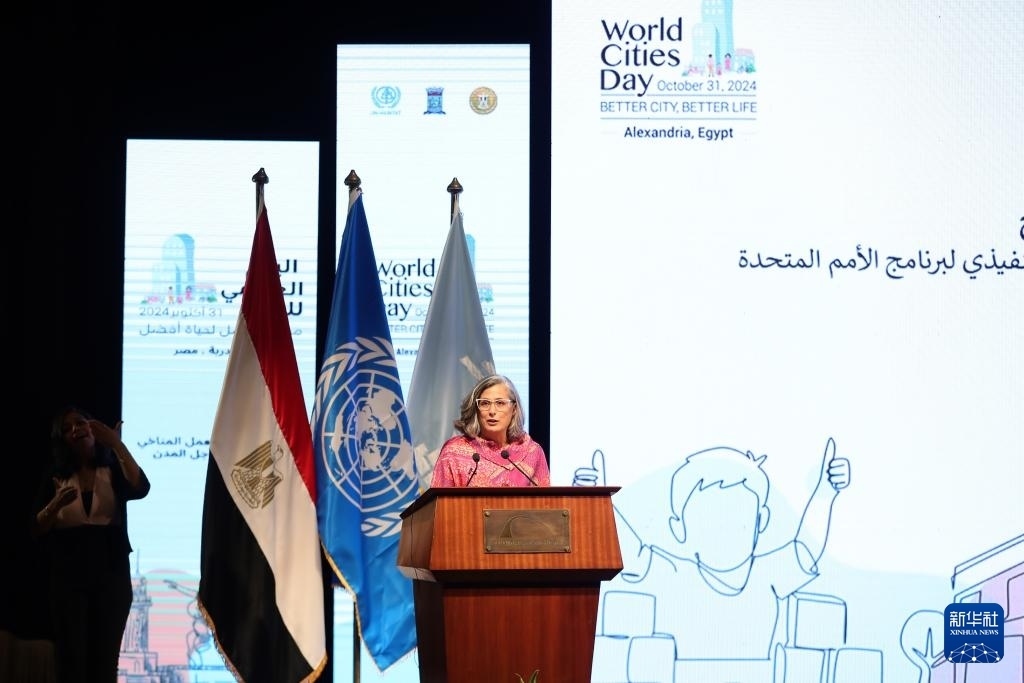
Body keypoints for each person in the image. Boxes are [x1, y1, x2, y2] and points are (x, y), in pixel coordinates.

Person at [31, 405, 151, 683]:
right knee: (71, 663)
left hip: (111, 576)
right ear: (63, 440)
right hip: (67, 579)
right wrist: (54, 505)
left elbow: (141, 488)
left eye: (80, 422)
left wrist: (117, 445)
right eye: (67, 429)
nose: (75, 429)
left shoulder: (112, 470)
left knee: (104, 664)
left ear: (94, 428)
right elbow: (35, 528)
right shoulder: (55, 475)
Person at [430, 374, 550, 487]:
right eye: (485, 403)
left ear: (514, 409)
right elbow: (440, 501)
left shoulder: (532, 452)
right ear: (476, 409)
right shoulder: (453, 452)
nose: (492, 411)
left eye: (500, 403)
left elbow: (546, 501)